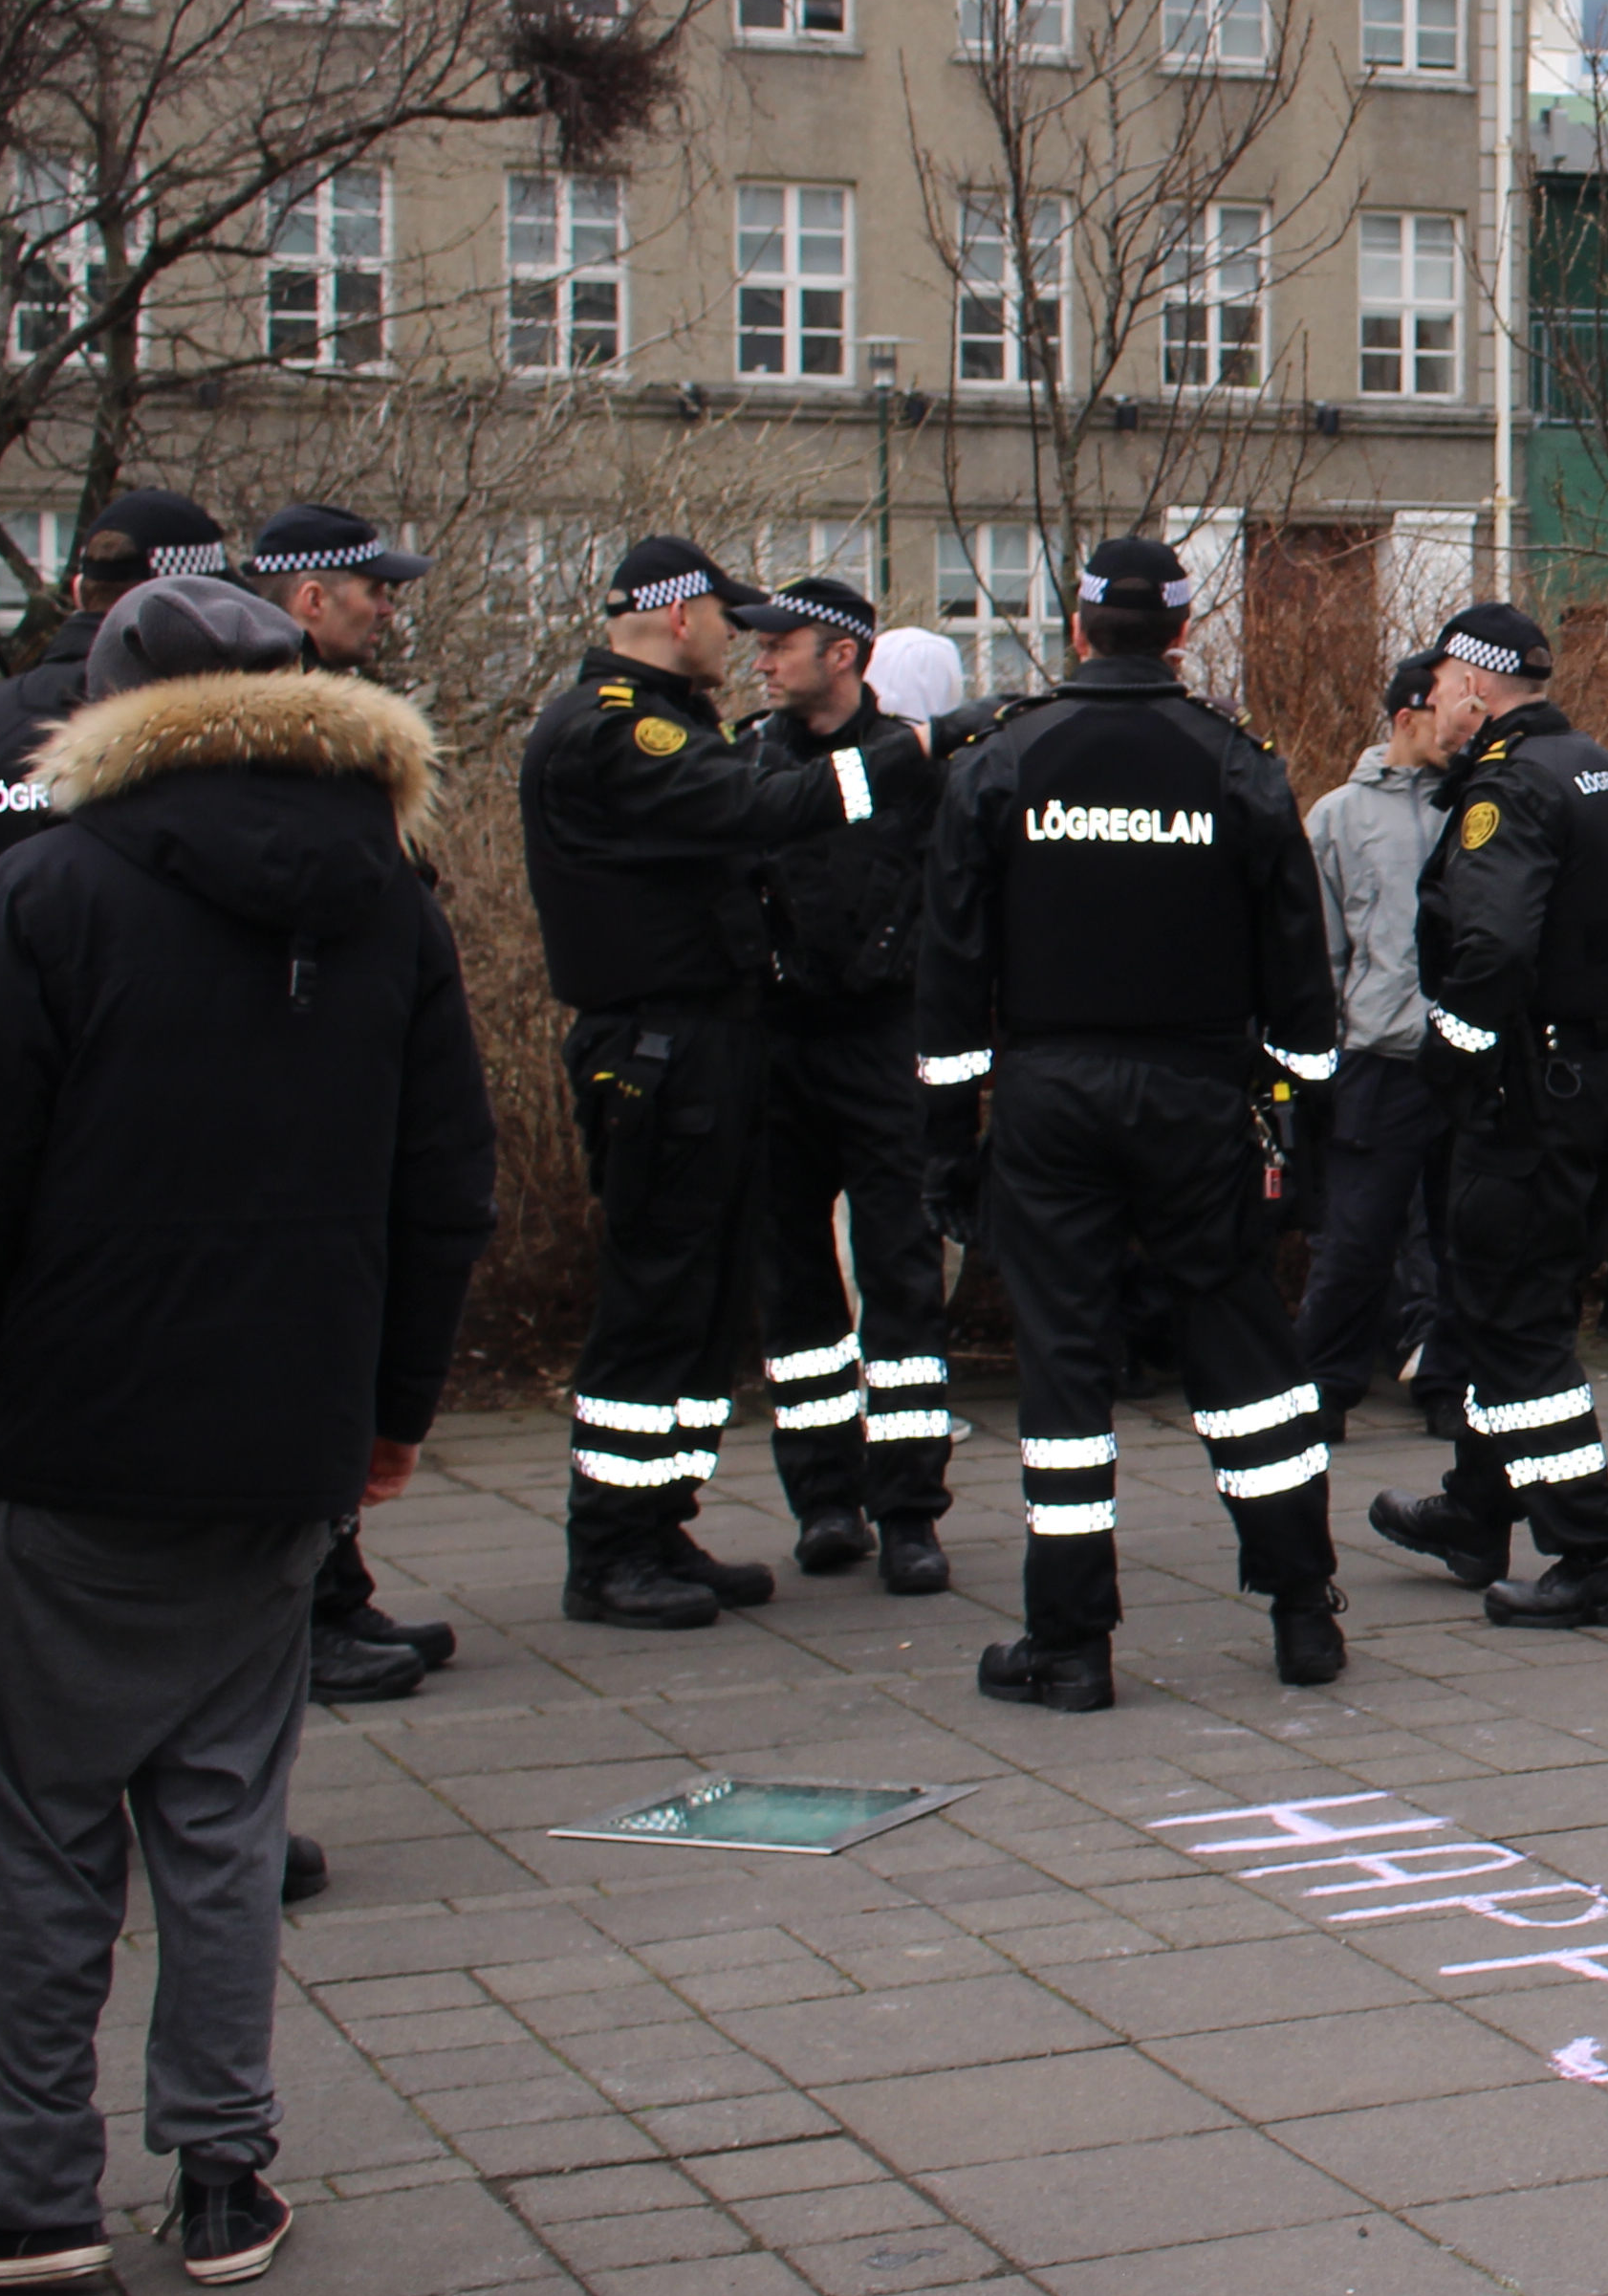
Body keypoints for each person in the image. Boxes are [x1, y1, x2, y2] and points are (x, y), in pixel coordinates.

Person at [0, 575, 492, 2296]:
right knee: (228, 1812)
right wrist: (391, 1414)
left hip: (70, 1433)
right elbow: (440, 1182)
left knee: (39, 1827)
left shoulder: (46, 894)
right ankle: (225, 2170)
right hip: (287, 1434)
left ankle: (33, 2192)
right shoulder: (390, 899)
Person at [916, 536, 1344, 1711]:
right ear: (1183, 630)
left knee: (1063, 1369)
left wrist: (948, 1139)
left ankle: (1069, 1646)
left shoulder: (1004, 761)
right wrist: (1306, 1121)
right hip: (1199, 1097)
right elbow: (1298, 974)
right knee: (1244, 1352)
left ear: (1076, 628)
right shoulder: (1237, 766)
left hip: (1050, 1096)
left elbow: (951, 974)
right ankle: (1303, 1612)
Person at [518, 537, 932, 1630]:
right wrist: (911, 753)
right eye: (728, 618)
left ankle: (655, 1522)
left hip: (704, 1046)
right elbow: (761, 813)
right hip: (662, 1050)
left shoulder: (658, 722)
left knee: (700, 1305)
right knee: (656, 1301)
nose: (740, 642)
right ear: (677, 615)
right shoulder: (621, 727)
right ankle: (609, 1548)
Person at [1368, 604, 1608, 1628]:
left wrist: (1452, 1064)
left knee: (1511, 1318)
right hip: (1601, 1079)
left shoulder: (1508, 788)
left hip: (1527, 1091)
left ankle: (1598, 1548)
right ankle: (1473, 1508)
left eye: (1446, 680)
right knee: (1515, 1299)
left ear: (1470, 681)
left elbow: (1490, 952)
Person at [246, 503, 454, 1704]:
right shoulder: (282, 735)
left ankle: (334, 1591)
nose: (390, 602)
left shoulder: (328, 724)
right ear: (310, 598)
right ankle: (306, 1609)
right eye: (372, 587)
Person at [740, 578, 954, 1592]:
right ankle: (824, 1501)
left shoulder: (920, 769)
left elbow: (959, 904)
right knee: (794, 1288)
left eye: (778, 644)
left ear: (841, 655)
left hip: (882, 1042)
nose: (760, 660)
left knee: (901, 1278)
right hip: (779, 1046)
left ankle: (909, 1508)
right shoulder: (748, 759)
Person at [0, 492, 229, 991]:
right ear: (188, 604)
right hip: (162, 1035)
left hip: (4, 1039)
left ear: (80, 588)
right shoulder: (216, 733)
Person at [1298, 650, 1464, 1432]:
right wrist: (1323, 1054)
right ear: (1406, 717)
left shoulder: (1479, 806)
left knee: (1458, 1237)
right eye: (1448, 711)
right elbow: (1322, 950)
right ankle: (1322, 1388)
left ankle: (1447, 1381)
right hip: (1376, 1059)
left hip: (1462, 1061)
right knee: (1356, 1236)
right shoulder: (1336, 817)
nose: (1465, 725)